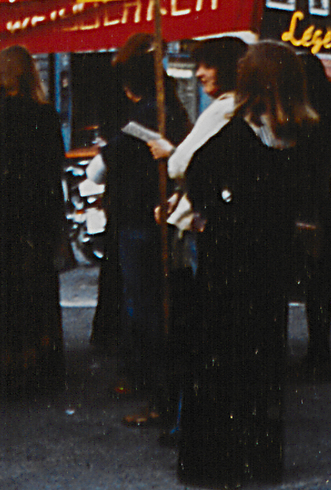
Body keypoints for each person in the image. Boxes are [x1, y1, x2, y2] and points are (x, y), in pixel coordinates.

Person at [177, 41, 318, 487]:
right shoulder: (300, 136)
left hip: (227, 263)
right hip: (269, 265)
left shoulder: (235, 132)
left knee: (218, 361)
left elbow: (194, 170)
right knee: (262, 363)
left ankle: (211, 462)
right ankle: (259, 459)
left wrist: (206, 214)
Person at [145, 35, 248, 446]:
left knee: (196, 328)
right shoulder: (247, 108)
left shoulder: (224, 108)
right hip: (214, 221)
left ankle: (184, 423)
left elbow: (181, 162)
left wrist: (168, 153)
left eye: (207, 64)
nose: (200, 72)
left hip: (203, 229)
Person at [0, 45, 67, 396]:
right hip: (34, 218)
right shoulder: (44, 114)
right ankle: (38, 367)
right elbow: (54, 171)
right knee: (34, 293)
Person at [99, 33, 190, 427]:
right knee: (154, 303)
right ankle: (155, 387)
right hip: (158, 213)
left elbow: (103, 163)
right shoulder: (174, 111)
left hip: (137, 218)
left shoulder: (141, 119)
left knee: (144, 306)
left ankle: (156, 391)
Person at [290, 50, 331, 383]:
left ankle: (317, 356)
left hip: (303, 208)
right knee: (318, 286)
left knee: (303, 278)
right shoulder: (325, 116)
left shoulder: (301, 118)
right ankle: (319, 350)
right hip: (321, 206)